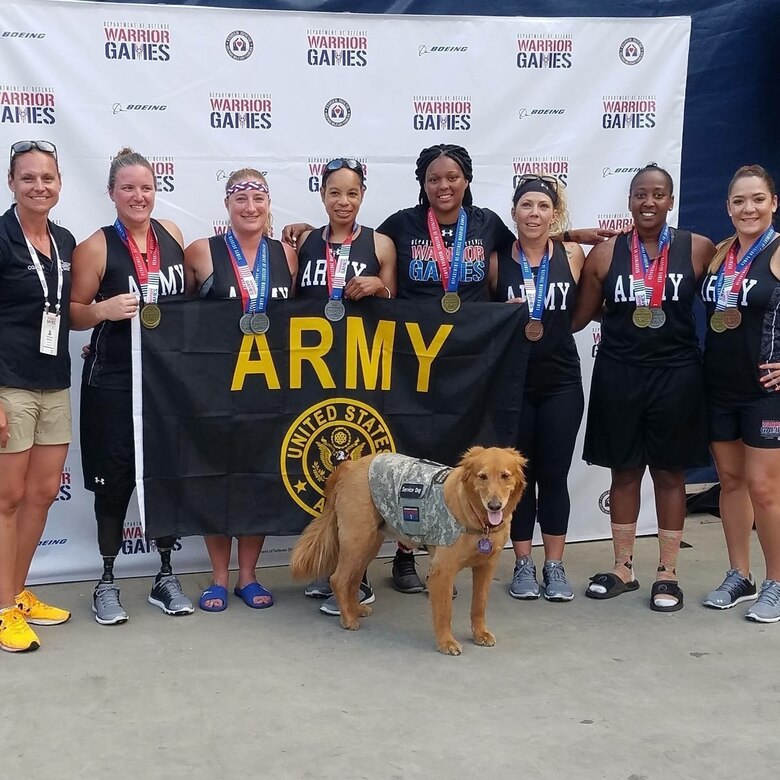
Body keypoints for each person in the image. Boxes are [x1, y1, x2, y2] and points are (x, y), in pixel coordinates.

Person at [285, 144, 617, 594]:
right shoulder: (401, 225)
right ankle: (404, 554)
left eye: (453, 177)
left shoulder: (487, 226)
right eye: (435, 179)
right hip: (413, 358)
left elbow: (532, 242)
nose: (444, 186)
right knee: (410, 450)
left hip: (471, 360)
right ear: (423, 184)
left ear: (467, 180)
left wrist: (572, 233)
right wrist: (307, 232)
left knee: (456, 452)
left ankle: (446, 550)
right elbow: (355, 242)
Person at [573, 163, 715, 611]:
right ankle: (623, 567)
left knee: (671, 474)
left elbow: (734, 300)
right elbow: (583, 314)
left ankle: (668, 573)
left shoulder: (698, 248)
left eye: (657, 194)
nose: (648, 202)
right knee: (624, 471)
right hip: (620, 373)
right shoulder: (605, 254)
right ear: (629, 200)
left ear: (670, 201)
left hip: (677, 374)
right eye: (639, 194)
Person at [70, 147, 193, 625]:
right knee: (114, 478)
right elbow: (75, 313)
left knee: (164, 473)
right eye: (128, 188)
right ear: (112, 193)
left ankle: (165, 575)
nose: (138, 196)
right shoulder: (96, 246)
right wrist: (101, 310)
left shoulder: (174, 236)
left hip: (166, 381)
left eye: (146, 187)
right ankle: (106, 581)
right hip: (113, 382)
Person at [184, 167, 298, 611]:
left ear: (269, 204)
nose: (250, 208)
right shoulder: (200, 252)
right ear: (227, 206)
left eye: (258, 199)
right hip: (214, 389)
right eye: (240, 200)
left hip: (271, 387)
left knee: (258, 478)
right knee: (216, 477)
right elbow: (180, 319)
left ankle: (248, 576)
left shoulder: (287, 256)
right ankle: (217, 576)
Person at [291, 158, 397, 614]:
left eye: (352, 193)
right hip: (313, 368)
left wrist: (380, 286)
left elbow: (401, 307)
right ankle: (328, 569)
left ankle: (360, 577)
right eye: (335, 192)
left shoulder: (382, 243)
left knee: (359, 475)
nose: (343, 201)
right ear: (321, 195)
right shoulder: (304, 242)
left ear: (363, 196)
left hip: (363, 366)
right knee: (319, 469)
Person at [489, 173, 585, 601]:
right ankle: (523, 564)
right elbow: (483, 322)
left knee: (555, 475)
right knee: (518, 479)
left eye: (543, 206)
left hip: (562, 382)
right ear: (513, 212)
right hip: (514, 387)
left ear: (554, 213)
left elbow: (582, 313)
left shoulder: (573, 254)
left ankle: (556, 566)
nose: (534, 213)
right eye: (526, 205)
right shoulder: (497, 262)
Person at [0, 140, 75, 653]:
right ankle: (3, 608)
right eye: (28, 178)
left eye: (47, 178)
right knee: (6, 499)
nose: (39, 187)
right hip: (9, 384)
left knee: (43, 492)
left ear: (59, 184)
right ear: (11, 184)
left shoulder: (65, 240)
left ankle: (17, 592)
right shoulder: (1, 237)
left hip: (55, 381)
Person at [700, 165, 780, 622]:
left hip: (764, 392)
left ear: (773, 203)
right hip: (719, 387)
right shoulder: (721, 253)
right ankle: (740, 575)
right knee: (730, 483)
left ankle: (776, 582)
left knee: (766, 490)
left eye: (757, 199)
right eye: (738, 201)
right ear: (727, 207)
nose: (748, 208)